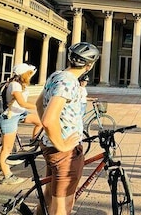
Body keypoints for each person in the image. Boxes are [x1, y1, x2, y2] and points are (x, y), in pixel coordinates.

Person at [36, 42, 100, 215]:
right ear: (89, 65)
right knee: (62, 207)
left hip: (50, 146)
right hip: (65, 152)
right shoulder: (70, 82)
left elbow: (39, 104)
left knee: (49, 195)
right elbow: (49, 120)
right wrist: (62, 144)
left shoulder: (56, 76)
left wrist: (52, 136)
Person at [0, 63, 42, 185]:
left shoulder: (20, 84)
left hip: (20, 114)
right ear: (25, 74)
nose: (31, 75)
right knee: (6, 148)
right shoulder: (15, 85)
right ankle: (7, 176)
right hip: (10, 117)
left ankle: (34, 141)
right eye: (30, 73)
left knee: (40, 121)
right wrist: (41, 106)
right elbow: (22, 103)